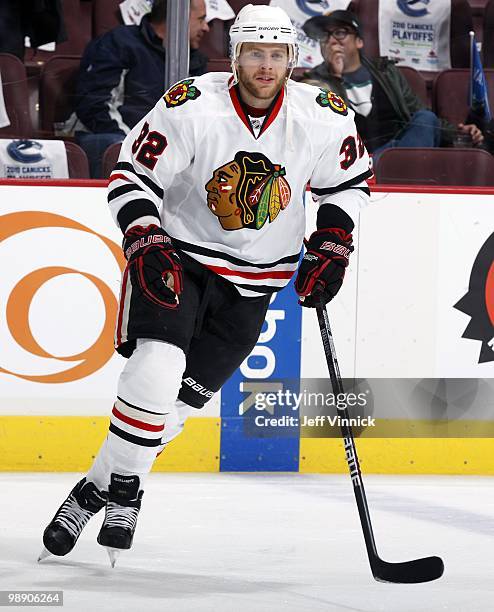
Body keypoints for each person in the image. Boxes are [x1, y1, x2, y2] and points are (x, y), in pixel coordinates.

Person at [40, 3, 371, 566]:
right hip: (179, 259)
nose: (266, 66)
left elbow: (350, 183)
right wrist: (143, 237)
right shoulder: (192, 104)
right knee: (158, 366)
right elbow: (132, 174)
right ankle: (127, 493)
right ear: (235, 55)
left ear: (292, 58)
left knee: (181, 403)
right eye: (254, 53)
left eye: (276, 54)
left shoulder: (324, 112)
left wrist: (334, 241)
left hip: (255, 281)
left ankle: (96, 486)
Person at [300, 10, 484, 162]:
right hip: (347, 161)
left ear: (359, 41)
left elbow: (422, 118)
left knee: (425, 118)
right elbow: (316, 128)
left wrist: (458, 132)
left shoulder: (387, 73)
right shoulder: (312, 81)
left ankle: (393, 166)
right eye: (325, 36)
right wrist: (335, 78)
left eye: (340, 33)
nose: (332, 40)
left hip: (393, 154)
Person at [74, 0, 210, 178]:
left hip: (164, 150)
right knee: (116, 147)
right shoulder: (120, 43)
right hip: (120, 140)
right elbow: (95, 105)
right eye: (201, 19)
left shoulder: (194, 60)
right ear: (177, 17)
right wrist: (137, 146)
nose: (206, 28)